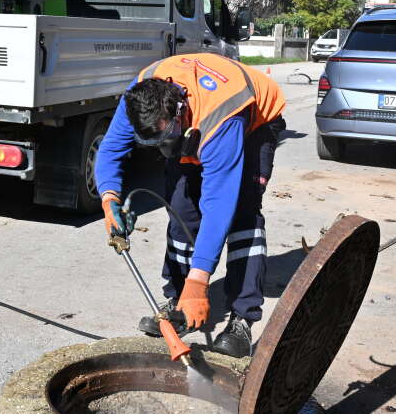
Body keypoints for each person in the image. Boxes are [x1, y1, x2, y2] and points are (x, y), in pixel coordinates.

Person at [94, 52, 286, 358]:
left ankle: (241, 319)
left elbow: (219, 204)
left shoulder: (221, 117)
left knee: (241, 216)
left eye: (165, 135)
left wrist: (200, 280)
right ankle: (179, 300)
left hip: (253, 123)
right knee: (181, 208)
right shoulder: (138, 98)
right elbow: (111, 150)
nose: (161, 147)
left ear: (180, 111)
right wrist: (109, 200)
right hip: (195, 122)